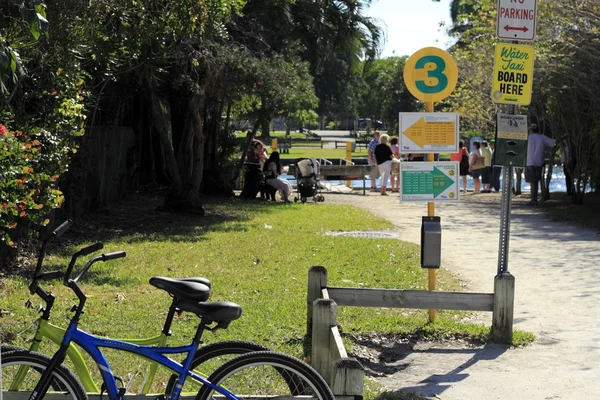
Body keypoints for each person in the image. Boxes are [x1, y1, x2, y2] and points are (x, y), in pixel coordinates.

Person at [526, 124, 556, 205]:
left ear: (531, 130)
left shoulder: (528, 137)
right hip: (539, 162)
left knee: (532, 182)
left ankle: (533, 199)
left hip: (529, 162)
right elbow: (553, 143)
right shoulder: (542, 137)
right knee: (539, 180)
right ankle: (541, 197)